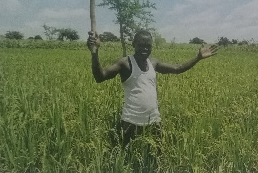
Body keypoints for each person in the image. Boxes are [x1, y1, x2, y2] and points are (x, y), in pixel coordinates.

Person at [87, 30, 218, 146]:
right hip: (131, 122)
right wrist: (94, 52)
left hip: (154, 121)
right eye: (141, 45)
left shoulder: (153, 62)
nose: (145, 49)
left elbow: (177, 69)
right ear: (133, 44)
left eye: (148, 46)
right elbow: (100, 76)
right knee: (128, 160)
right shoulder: (125, 63)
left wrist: (198, 58)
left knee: (155, 159)